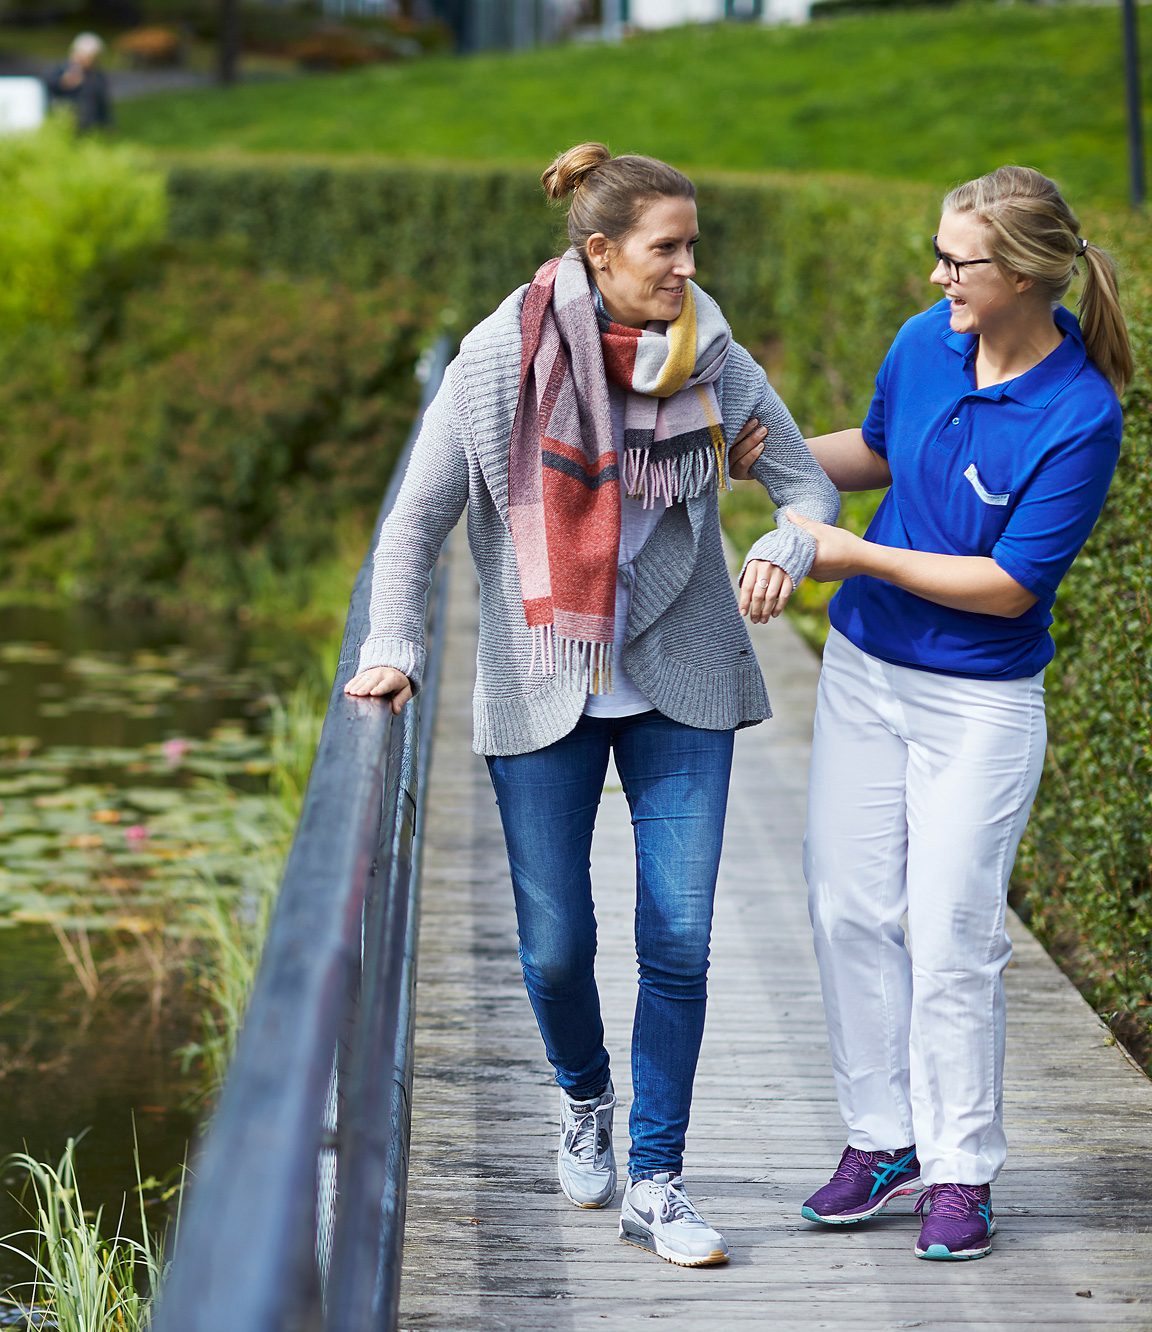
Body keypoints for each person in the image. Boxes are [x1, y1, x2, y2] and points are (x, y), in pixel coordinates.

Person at [346, 143, 839, 1267]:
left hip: (688, 678)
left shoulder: (710, 355)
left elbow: (806, 483)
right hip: (540, 680)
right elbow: (414, 525)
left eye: (694, 245)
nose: (688, 266)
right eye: (667, 248)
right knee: (558, 948)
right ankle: (585, 1096)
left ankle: (657, 1179)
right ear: (600, 250)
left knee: (678, 940)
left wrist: (783, 539)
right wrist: (393, 645)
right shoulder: (491, 362)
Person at [730, 166, 1130, 1261]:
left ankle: (960, 1170)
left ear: (1027, 277)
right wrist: (755, 462)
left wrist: (849, 551)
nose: (938, 275)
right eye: (939, 255)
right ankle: (882, 1141)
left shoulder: (1080, 416)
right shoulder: (923, 341)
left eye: (960, 262)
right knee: (848, 909)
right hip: (865, 673)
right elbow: (875, 453)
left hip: (979, 707)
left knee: (952, 935)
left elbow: (1009, 585)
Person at [46, 32, 111, 132]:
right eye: (87, 57)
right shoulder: (62, 69)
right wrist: (63, 82)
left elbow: (102, 103)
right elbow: (47, 84)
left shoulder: (96, 76)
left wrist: (108, 125)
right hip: (66, 119)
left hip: (92, 124)